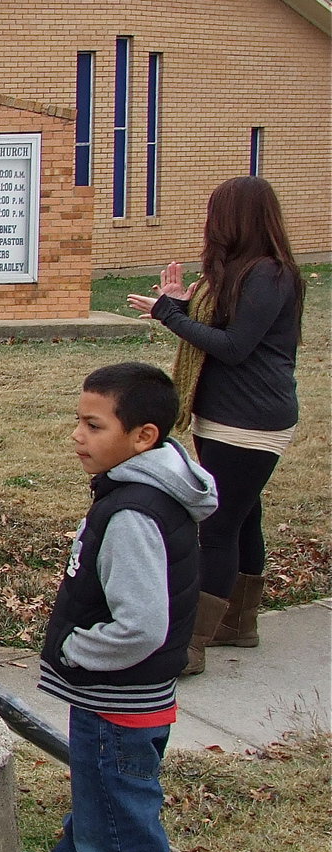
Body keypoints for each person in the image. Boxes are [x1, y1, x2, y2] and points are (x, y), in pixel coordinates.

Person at [21, 362, 216, 852]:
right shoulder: (148, 491)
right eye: (78, 421)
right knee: (104, 796)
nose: (77, 436)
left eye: (93, 425)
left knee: (124, 834)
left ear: (144, 437)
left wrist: (78, 650)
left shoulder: (132, 512)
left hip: (117, 699)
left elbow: (141, 625)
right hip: (137, 698)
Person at [127, 176, 304, 675]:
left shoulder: (268, 274)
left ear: (235, 220)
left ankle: (192, 644)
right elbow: (226, 329)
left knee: (219, 526)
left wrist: (170, 315)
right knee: (245, 516)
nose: (210, 224)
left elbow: (232, 346)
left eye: (216, 213)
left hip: (249, 421)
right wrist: (179, 307)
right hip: (228, 416)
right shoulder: (248, 273)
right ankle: (239, 623)